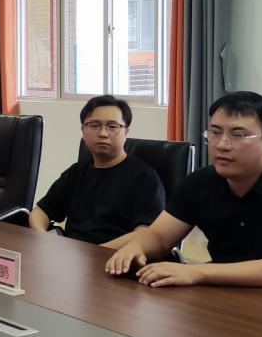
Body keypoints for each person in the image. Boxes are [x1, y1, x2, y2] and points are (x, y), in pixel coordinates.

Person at [105, 91, 262, 296]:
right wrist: (136, 246)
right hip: (225, 295)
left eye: (238, 134)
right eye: (215, 132)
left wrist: (196, 272)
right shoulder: (200, 182)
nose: (222, 144)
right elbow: (159, 237)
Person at [29, 95, 164, 247]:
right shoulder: (77, 172)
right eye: (94, 125)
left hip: (117, 257)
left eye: (112, 126)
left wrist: (96, 253)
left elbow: (144, 233)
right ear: (83, 130)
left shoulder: (145, 178)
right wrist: (42, 238)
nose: (103, 133)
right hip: (71, 254)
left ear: (126, 132)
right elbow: (40, 212)